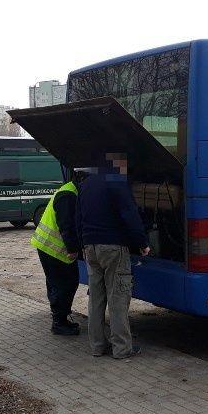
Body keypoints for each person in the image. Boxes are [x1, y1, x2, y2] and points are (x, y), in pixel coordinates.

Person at [78, 154, 150, 359]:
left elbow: (78, 217)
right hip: (112, 247)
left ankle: (97, 346)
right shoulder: (116, 183)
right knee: (118, 297)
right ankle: (121, 348)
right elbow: (129, 215)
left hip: (90, 247)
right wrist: (142, 243)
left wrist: (81, 243)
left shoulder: (86, 184)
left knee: (96, 298)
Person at [30, 170, 88, 335]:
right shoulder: (68, 195)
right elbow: (67, 225)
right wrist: (73, 249)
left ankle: (59, 318)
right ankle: (59, 322)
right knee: (66, 284)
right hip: (53, 248)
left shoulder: (69, 190)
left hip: (48, 246)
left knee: (58, 283)